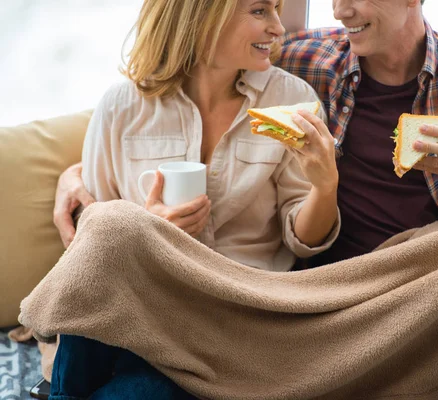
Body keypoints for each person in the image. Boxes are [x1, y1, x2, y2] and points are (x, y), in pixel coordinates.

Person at [47, 0, 438, 399]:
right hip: (312, 294)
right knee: (113, 231)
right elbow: (169, 87)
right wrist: (78, 183)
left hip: (418, 284)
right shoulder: (306, 63)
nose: (340, 9)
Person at [46, 0, 342, 399]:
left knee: (143, 394)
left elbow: (300, 238)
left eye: (277, 10)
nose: (278, 29)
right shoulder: (122, 106)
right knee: (110, 226)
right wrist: (149, 229)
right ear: (203, 15)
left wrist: (324, 187)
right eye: (260, 11)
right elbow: (92, 247)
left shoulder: (291, 101)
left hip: (239, 313)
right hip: (145, 308)